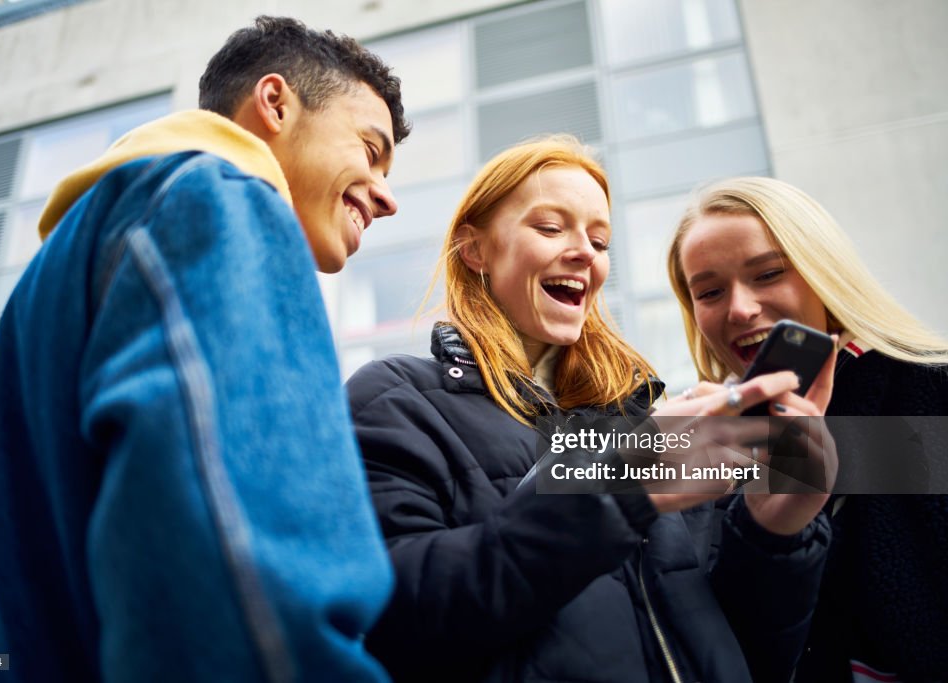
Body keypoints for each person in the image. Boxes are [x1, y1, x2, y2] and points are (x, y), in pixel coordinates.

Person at [0, 16, 409, 682]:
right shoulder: (221, 203)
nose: (387, 198)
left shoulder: (58, 279)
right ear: (275, 103)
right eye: (370, 148)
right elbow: (241, 590)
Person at [346, 137, 835, 683]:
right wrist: (616, 485)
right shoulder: (397, 401)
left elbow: (747, 654)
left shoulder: (651, 417)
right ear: (476, 250)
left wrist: (774, 534)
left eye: (599, 240)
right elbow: (390, 618)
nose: (585, 252)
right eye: (551, 228)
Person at [667, 175, 948, 682]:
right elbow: (735, 654)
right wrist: (770, 533)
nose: (739, 308)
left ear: (826, 272)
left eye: (769, 273)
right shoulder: (709, 452)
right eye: (709, 291)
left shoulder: (931, 392)